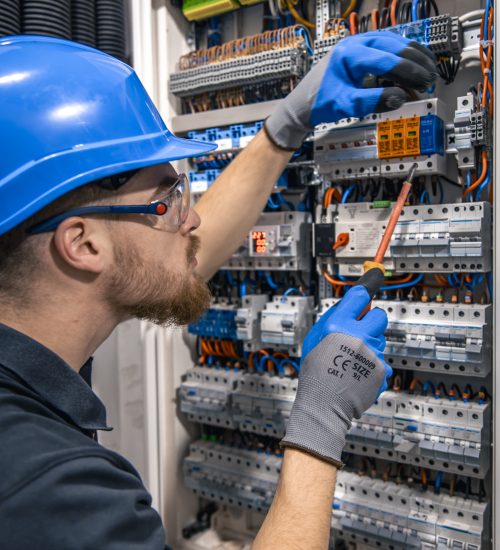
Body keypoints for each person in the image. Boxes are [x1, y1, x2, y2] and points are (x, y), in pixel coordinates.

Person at [0, 33, 436, 549]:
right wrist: (321, 421)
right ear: (82, 244)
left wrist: (284, 127)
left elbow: (170, 258)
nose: (194, 218)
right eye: (170, 200)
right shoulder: (51, 492)